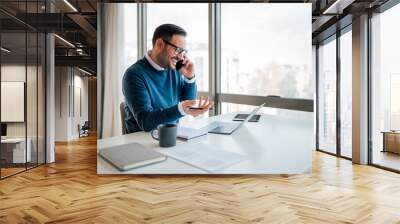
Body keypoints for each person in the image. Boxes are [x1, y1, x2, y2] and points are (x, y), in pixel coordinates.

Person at [123, 24, 213, 133]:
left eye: (183, 52)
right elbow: (146, 122)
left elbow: (188, 103)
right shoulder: (134, 74)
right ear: (159, 44)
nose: (181, 57)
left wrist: (189, 78)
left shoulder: (173, 69)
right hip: (141, 141)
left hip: (172, 136)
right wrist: (181, 108)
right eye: (178, 50)